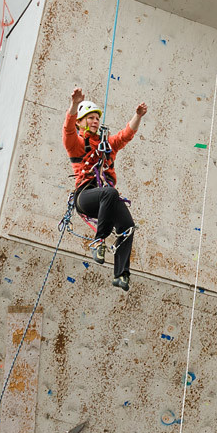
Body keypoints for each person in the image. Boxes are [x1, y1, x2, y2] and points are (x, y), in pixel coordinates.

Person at [63, 88, 147, 292]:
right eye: (90, 118)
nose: (95, 121)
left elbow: (125, 136)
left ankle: (121, 274)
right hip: (86, 196)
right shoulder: (76, 143)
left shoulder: (106, 145)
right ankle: (98, 241)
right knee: (111, 193)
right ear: (80, 122)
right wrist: (74, 105)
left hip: (105, 199)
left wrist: (137, 116)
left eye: (96, 118)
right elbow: (67, 130)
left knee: (127, 227)